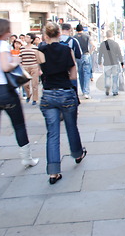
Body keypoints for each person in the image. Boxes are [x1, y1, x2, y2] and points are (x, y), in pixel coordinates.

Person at [0, 18, 38, 189]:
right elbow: (5, 67)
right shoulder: (2, 45)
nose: (10, 32)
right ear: (2, 31)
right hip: (4, 91)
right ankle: (27, 159)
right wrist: (15, 62)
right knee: (19, 125)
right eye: (8, 30)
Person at [36, 22, 86, 184]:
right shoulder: (67, 50)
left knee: (52, 133)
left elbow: (40, 72)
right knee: (71, 127)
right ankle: (77, 154)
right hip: (65, 92)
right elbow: (73, 76)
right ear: (59, 34)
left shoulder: (40, 51)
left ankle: (53, 172)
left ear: (45, 36)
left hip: (48, 94)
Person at [98, 30, 124, 96]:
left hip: (106, 63)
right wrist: (122, 63)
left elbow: (100, 54)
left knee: (107, 77)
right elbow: (119, 54)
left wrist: (99, 62)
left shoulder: (102, 44)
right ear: (112, 35)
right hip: (115, 63)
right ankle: (115, 91)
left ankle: (107, 86)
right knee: (115, 78)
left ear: (106, 36)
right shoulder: (115, 44)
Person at [20, 33, 40, 105]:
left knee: (35, 84)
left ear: (31, 39)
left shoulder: (35, 48)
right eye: (26, 37)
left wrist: (39, 69)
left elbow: (38, 58)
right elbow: (20, 58)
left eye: (28, 37)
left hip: (34, 66)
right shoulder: (22, 48)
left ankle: (35, 99)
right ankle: (28, 95)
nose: (26, 38)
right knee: (25, 84)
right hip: (25, 67)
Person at [60, 23, 82, 88]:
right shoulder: (73, 41)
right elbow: (79, 55)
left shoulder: (55, 40)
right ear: (70, 30)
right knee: (72, 87)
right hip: (70, 68)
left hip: (56, 69)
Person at [74, 24, 92, 99]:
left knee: (80, 74)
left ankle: (82, 90)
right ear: (83, 29)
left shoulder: (74, 38)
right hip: (86, 55)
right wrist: (90, 52)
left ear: (76, 30)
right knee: (87, 74)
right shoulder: (87, 36)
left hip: (78, 57)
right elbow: (93, 45)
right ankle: (86, 92)